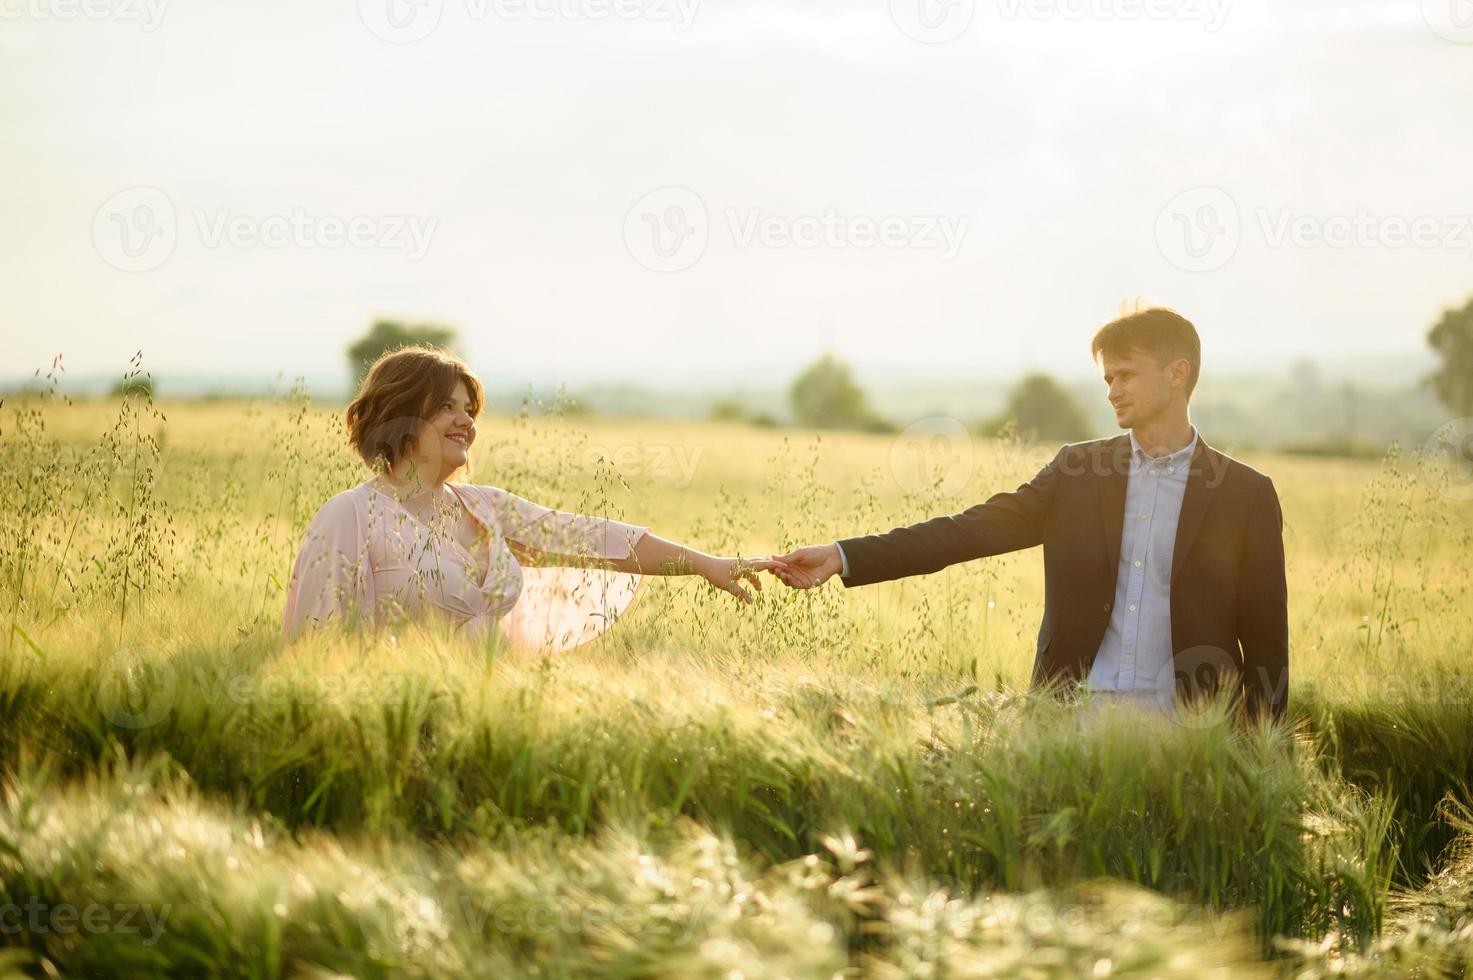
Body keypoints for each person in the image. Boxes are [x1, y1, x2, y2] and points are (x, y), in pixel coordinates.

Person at [768, 307, 1289, 723]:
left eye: (1126, 375)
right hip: (1074, 718)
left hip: (1193, 727)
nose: (1112, 391)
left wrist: (1263, 754)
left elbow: (1267, 645)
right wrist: (843, 556)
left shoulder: (1245, 495)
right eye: (1108, 378)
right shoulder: (1078, 471)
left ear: (1179, 373)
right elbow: (967, 532)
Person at [282, 345, 775, 649]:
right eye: (446, 408)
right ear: (402, 415)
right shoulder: (350, 514)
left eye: (469, 409)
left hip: (488, 726)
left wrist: (705, 563)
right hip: (398, 731)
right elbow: (313, 647)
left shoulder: (482, 507)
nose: (467, 421)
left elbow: (592, 538)